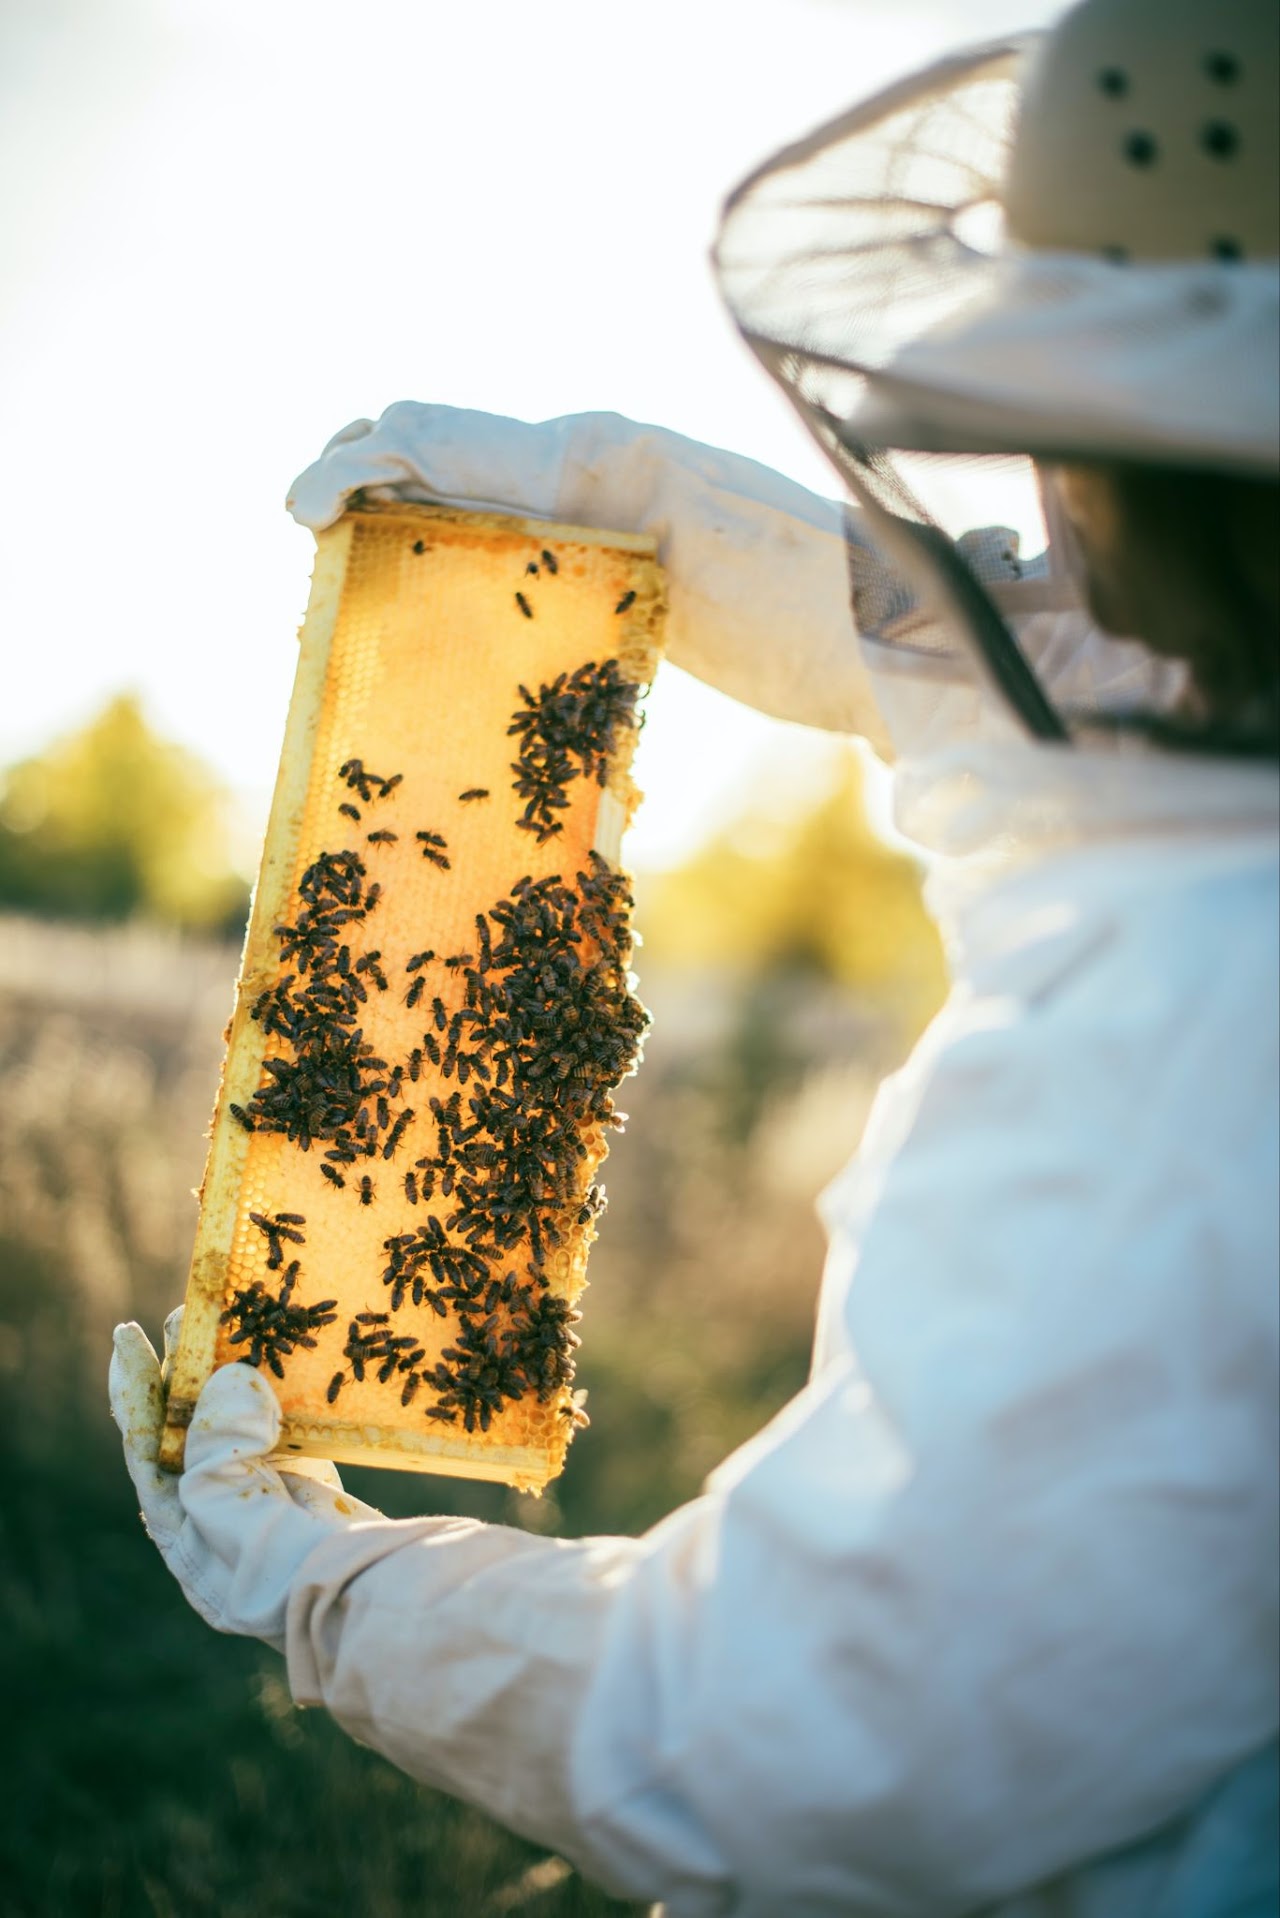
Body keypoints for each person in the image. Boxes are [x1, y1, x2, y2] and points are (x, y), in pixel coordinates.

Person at [110, 0, 1278, 1910]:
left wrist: (323, 1582)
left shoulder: (1177, 1050)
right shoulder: (1224, 795)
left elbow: (796, 1740)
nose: (1048, 497)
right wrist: (628, 501)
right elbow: (1028, 667)